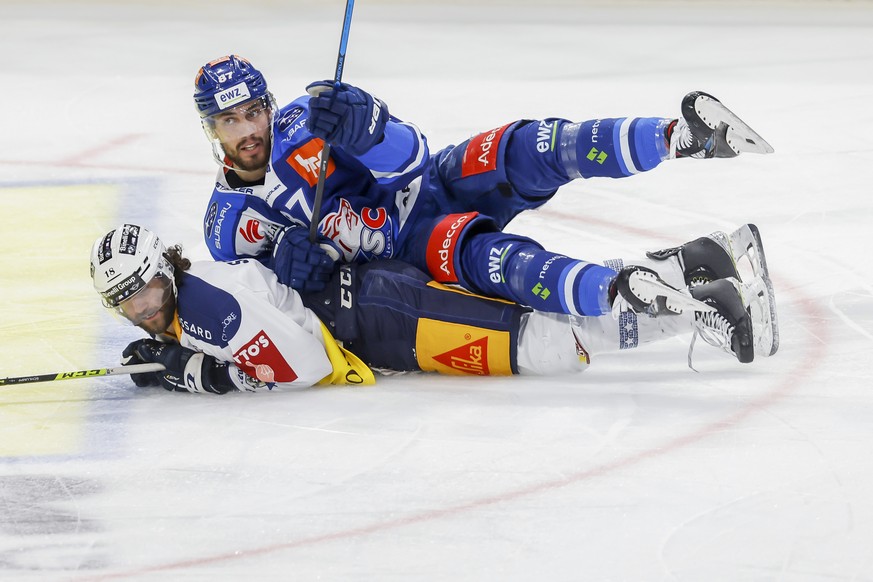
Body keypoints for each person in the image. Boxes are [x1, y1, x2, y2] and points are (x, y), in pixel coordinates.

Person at [192, 55, 774, 347]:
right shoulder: (228, 223)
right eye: (230, 121)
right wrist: (286, 272)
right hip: (410, 252)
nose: (250, 130)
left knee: (527, 147)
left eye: (255, 111)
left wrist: (370, 127)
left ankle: (682, 137)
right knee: (493, 259)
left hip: (431, 184)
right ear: (209, 130)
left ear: (269, 105)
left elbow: (410, 156)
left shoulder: (309, 118)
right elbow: (264, 311)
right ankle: (633, 289)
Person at [89, 223, 776, 395]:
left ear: (164, 271)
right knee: (534, 318)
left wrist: (204, 374)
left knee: (540, 343)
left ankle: (698, 306)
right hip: (378, 307)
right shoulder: (191, 298)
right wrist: (183, 356)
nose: (140, 310)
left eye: (144, 291)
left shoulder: (204, 304)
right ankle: (698, 260)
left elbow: (296, 365)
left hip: (386, 319)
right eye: (126, 304)